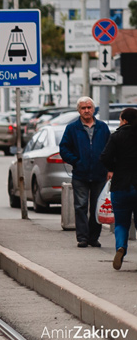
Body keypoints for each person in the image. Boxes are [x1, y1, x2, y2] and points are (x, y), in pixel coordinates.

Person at [59, 96, 112, 248]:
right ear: (79, 110)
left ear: (93, 109)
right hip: (80, 174)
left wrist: (109, 168)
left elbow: (110, 149)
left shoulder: (102, 127)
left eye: (89, 107)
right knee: (80, 206)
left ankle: (93, 238)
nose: (87, 110)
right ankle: (82, 238)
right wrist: (76, 161)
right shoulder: (72, 128)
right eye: (83, 108)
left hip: (99, 173)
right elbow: (64, 148)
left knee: (97, 206)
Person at [103, 107, 137, 269]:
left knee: (121, 224)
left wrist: (113, 167)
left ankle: (121, 248)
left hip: (121, 186)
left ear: (124, 120)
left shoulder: (117, 137)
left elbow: (105, 157)